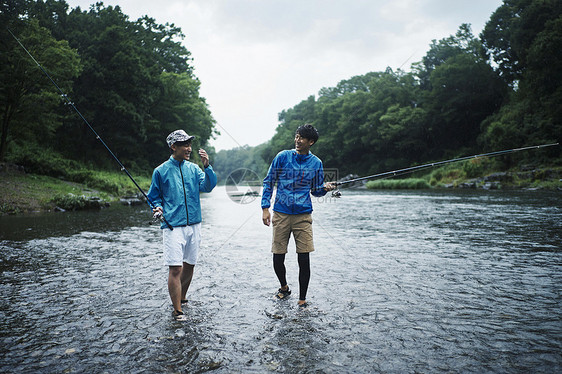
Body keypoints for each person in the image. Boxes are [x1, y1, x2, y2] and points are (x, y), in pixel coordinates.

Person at [261, 124, 335, 307]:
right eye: (296, 136)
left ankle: (302, 300)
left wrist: (325, 189)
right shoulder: (282, 157)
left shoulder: (316, 163)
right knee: (278, 256)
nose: (297, 140)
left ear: (311, 142)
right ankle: (284, 287)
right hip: (281, 213)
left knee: (304, 258)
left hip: (303, 215)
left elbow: (316, 191)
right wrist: (265, 207)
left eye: (301, 138)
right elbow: (269, 181)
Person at [147, 129, 217, 321]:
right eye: (184, 145)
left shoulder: (194, 169)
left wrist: (207, 166)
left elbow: (208, 187)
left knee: (190, 265)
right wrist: (158, 208)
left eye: (189, 144)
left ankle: (183, 298)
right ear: (173, 147)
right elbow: (154, 197)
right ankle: (177, 310)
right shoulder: (160, 171)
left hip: (194, 224)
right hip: (172, 226)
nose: (189, 148)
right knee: (175, 268)